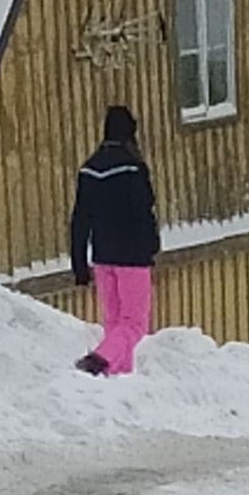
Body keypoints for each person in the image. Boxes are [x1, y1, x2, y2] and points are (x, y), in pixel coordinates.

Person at [69, 105, 160, 376]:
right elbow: (144, 210)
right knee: (133, 324)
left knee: (114, 322)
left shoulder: (89, 169)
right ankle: (99, 360)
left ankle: (118, 378)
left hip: (102, 255)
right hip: (132, 255)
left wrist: (79, 262)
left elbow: (80, 218)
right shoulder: (133, 167)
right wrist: (151, 246)